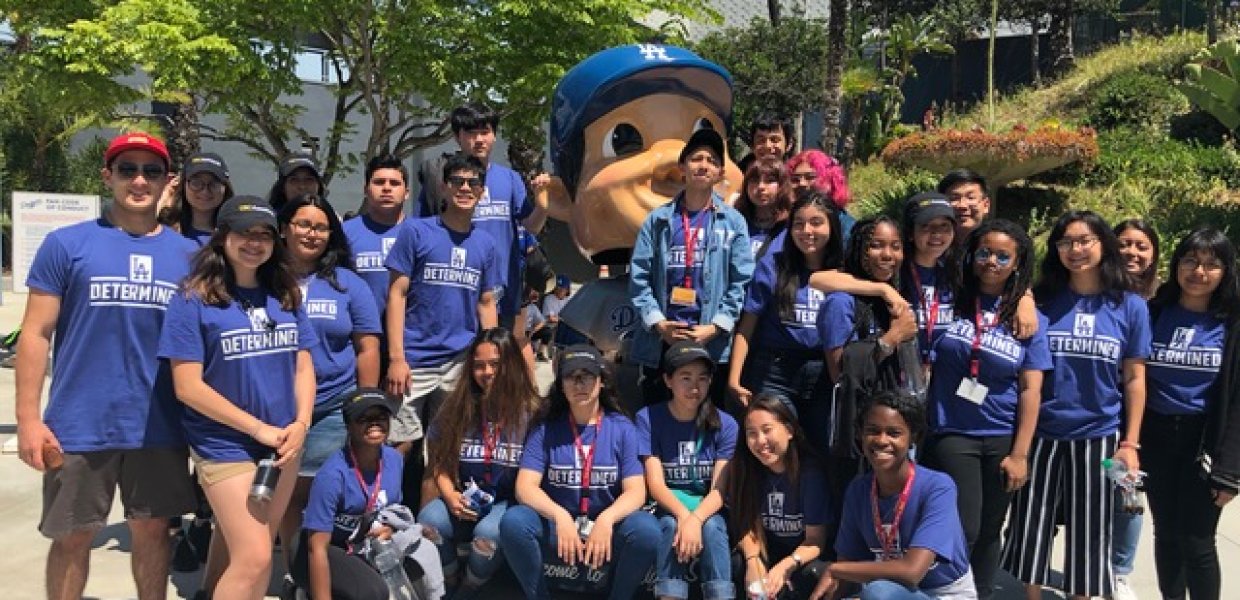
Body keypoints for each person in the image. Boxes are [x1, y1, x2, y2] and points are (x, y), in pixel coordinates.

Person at [16, 132, 197, 600]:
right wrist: (28, 420)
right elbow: (35, 334)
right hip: (78, 422)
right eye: (127, 169)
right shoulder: (66, 245)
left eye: (151, 171)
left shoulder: (190, 257)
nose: (139, 180)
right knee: (73, 536)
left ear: (167, 182)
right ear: (108, 177)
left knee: (154, 531)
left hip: (158, 424)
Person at [158, 195, 318, 599]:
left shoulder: (285, 296)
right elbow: (187, 386)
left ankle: (210, 591)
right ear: (222, 238)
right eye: (244, 233)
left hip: (283, 444)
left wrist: (301, 423)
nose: (254, 243)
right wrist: (257, 428)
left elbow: (303, 366)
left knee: (244, 541)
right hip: (224, 443)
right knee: (256, 558)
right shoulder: (192, 300)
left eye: (264, 235)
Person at [1002, 210, 1150, 600]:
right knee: (1031, 523)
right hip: (1043, 432)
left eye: (1085, 240)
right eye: (1066, 242)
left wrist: (1130, 443)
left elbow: (1135, 379)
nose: (1076, 250)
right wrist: (1025, 298)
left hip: (1098, 435)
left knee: (1091, 529)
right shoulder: (1043, 300)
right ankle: (1031, 595)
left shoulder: (1130, 306)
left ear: (1104, 244)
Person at [921, 220, 1050, 600]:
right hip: (952, 430)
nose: (991, 261)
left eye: (1002, 255)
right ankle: (951, 592)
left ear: (1017, 262)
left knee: (992, 526)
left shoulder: (1028, 318)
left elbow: (1031, 388)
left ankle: (980, 593)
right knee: (966, 525)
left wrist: (1020, 454)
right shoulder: (951, 296)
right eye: (984, 252)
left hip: (1001, 435)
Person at [275, 193, 383, 589]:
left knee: (319, 498)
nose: (311, 233)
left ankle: (323, 576)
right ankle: (295, 571)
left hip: (333, 409)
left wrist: (366, 404)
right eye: (303, 224)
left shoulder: (348, 285)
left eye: (321, 227)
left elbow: (367, 345)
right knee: (286, 499)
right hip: (277, 411)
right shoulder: (264, 280)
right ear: (284, 228)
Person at [385, 152, 502, 507]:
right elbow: (397, 293)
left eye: (473, 183)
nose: (465, 188)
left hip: (458, 361)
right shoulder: (417, 231)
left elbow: (486, 303)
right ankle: (380, 524)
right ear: (444, 187)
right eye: (458, 182)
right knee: (397, 447)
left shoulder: (486, 244)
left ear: (482, 192)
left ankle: (428, 534)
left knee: (441, 450)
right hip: (414, 360)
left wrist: (492, 357)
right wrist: (396, 357)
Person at [499, 345, 660, 599]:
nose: (579, 384)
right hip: (558, 528)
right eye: (571, 377)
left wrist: (607, 520)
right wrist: (560, 517)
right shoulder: (546, 428)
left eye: (587, 376)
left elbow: (637, 491)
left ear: (601, 382)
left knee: (647, 529)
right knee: (514, 522)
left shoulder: (622, 428)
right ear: (561, 385)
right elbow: (525, 487)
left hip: (605, 528)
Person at [1143, 228, 1240, 600]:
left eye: (1211, 265)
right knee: (1165, 532)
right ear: (1176, 264)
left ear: (1225, 271)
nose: (1198, 272)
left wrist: (1229, 470)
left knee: (1196, 540)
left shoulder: (1231, 324)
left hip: (1205, 441)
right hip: (1158, 437)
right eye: (1190, 261)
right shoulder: (1155, 312)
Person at [629, 127, 754, 410]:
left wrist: (716, 326)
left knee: (707, 421)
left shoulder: (733, 222)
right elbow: (639, 278)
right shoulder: (657, 221)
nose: (704, 165)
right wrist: (659, 324)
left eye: (712, 160)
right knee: (659, 417)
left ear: (720, 173)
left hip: (711, 341)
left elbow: (741, 281)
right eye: (697, 158)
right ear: (682, 167)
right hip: (662, 340)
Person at [809, 391, 977, 600]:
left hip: (942, 594)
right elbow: (847, 568)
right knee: (811, 577)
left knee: (879, 592)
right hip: (892, 591)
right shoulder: (859, 490)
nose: (881, 440)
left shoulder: (938, 487)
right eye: (872, 431)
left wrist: (835, 569)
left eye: (894, 433)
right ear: (860, 435)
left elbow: (911, 572)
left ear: (912, 437)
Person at [418, 328, 543, 597]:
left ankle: (473, 582)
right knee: (428, 521)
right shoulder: (457, 407)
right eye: (479, 365)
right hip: (464, 495)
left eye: (496, 364)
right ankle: (450, 574)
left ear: (512, 365)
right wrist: (450, 494)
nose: (487, 372)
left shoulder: (533, 412)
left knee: (488, 533)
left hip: (508, 502)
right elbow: (439, 461)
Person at [416, 103, 549, 324]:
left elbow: (532, 226)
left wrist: (543, 205)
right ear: (457, 137)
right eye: (471, 132)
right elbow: (423, 232)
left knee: (496, 356)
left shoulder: (510, 179)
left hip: (503, 291)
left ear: (495, 136)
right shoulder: (440, 180)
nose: (479, 139)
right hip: (456, 291)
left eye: (485, 132)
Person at [730, 191, 843, 422]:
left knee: (820, 449)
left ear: (832, 226)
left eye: (816, 223)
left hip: (824, 370)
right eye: (798, 224)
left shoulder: (845, 269)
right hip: (775, 370)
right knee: (774, 443)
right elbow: (746, 327)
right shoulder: (772, 266)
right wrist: (734, 379)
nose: (806, 231)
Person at [637, 341, 738, 600]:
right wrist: (684, 516)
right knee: (669, 525)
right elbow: (656, 484)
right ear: (667, 380)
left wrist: (695, 520)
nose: (695, 387)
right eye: (685, 378)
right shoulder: (648, 418)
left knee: (714, 527)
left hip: (708, 506)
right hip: (667, 505)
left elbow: (719, 489)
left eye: (703, 379)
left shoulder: (725, 424)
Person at [292, 389, 413, 600]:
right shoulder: (332, 475)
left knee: (419, 567)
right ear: (348, 426)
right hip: (321, 550)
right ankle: (303, 592)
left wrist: (390, 528)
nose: (374, 424)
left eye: (381, 417)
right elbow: (316, 548)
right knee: (374, 592)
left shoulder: (395, 460)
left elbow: (389, 509)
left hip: (363, 547)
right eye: (364, 419)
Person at [726, 394, 829, 600]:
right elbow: (748, 526)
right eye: (752, 434)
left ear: (789, 430)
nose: (760, 441)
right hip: (767, 552)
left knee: (811, 576)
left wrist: (786, 566)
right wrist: (753, 561)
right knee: (737, 565)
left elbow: (816, 540)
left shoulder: (810, 474)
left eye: (767, 430)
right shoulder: (749, 470)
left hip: (800, 556)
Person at [1111, 218, 1160, 600]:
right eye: (1124, 243)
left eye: (1141, 245)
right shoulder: (1098, 294)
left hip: (1144, 416)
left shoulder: (1162, 303)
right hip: (1102, 410)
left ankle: (1119, 570)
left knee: (1129, 494)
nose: (1132, 252)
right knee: (1097, 492)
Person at [345, 154, 411, 325]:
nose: (387, 188)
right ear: (366, 190)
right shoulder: (346, 233)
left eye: (395, 183)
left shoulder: (422, 233)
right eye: (379, 182)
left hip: (411, 340)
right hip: (361, 335)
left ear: (407, 193)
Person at [900, 193, 957, 374]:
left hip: (944, 377)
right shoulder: (895, 273)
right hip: (901, 374)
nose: (937, 233)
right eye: (927, 226)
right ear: (910, 232)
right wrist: (885, 289)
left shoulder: (956, 275)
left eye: (944, 226)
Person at [160, 151, 234, 246]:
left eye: (213, 184)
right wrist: (165, 196)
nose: (205, 191)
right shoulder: (164, 228)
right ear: (183, 185)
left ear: (225, 187)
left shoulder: (233, 235)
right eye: (196, 183)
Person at [786, 149, 854, 240]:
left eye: (810, 177)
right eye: (795, 179)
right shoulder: (788, 222)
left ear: (829, 180)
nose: (802, 183)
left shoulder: (846, 228)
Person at [733, 160, 794, 260]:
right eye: (754, 180)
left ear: (782, 185)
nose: (761, 187)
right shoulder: (735, 222)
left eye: (769, 181)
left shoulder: (791, 226)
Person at [936, 169, 990, 241]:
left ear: (986, 205)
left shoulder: (997, 245)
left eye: (970, 197)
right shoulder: (930, 246)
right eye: (954, 198)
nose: (962, 206)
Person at [1115, 218, 1160, 301]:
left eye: (1142, 248)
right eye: (1123, 245)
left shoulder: (1161, 298)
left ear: (1153, 257)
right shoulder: (1092, 290)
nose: (1131, 252)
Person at [541, 275, 573, 355]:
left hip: (562, 325)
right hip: (549, 325)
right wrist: (563, 320)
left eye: (562, 289)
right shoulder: (549, 298)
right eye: (557, 288)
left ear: (567, 290)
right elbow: (551, 319)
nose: (559, 291)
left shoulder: (568, 300)